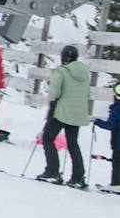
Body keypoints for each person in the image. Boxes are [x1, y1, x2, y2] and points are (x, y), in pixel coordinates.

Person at [37, 45, 89, 187]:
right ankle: (78, 176)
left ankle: (52, 171)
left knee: (48, 138)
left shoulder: (61, 71)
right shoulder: (84, 72)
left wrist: (52, 105)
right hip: (78, 113)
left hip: (61, 111)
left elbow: (55, 92)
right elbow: (87, 93)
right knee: (73, 144)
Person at [91, 84, 120, 192]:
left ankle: (116, 184)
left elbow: (110, 125)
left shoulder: (117, 109)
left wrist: (96, 121)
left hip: (118, 143)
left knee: (117, 163)